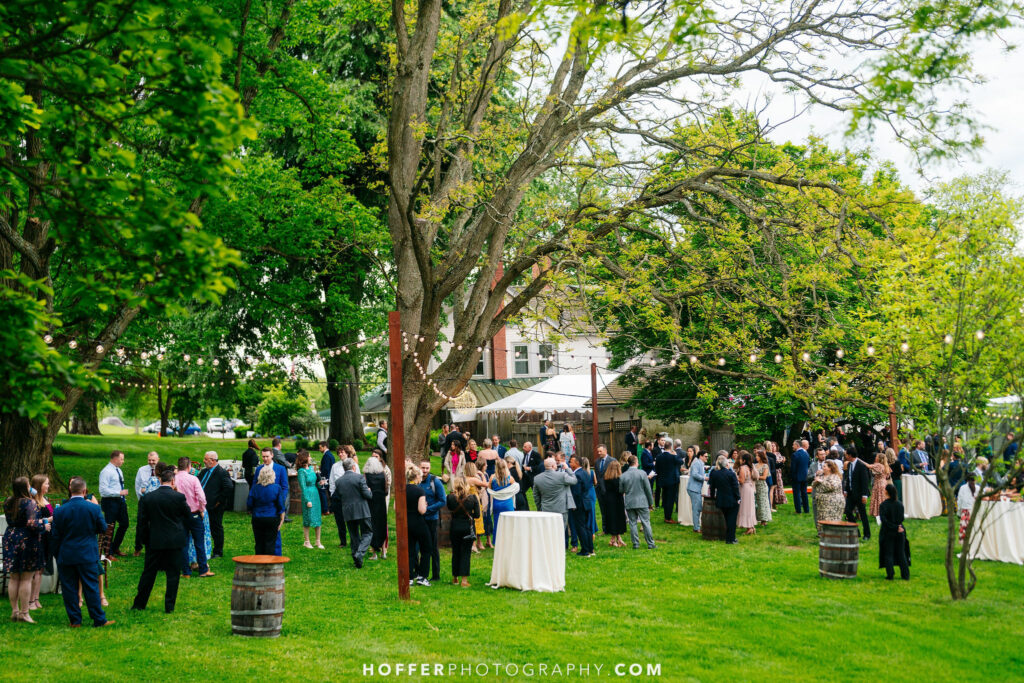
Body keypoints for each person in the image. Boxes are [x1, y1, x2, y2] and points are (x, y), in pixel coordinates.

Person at [51, 477, 112, 627]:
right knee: (90, 587)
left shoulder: (59, 511)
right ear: (84, 491)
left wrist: (58, 554)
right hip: (87, 553)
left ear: (70, 490)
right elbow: (103, 528)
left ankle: (75, 620)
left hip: (67, 553)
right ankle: (98, 619)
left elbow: (55, 536)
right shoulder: (93, 508)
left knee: (69, 588)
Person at [131, 466, 190, 613]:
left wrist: (145, 540)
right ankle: (169, 606)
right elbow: (188, 516)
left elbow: (142, 522)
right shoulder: (179, 497)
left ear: (159, 480)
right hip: (174, 540)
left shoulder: (149, 497)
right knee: (173, 574)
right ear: (173, 481)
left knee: (149, 573)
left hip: (154, 540)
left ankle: (139, 603)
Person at [4, 477, 48, 623]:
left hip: (10, 537)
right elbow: (32, 524)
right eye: (29, 485)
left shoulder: (8, 501)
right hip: (26, 540)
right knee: (26, 578)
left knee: (14, 576)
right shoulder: (30, 502)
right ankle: (24, 612)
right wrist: (44, 527)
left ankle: (14, 611)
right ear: (25, 487)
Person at [331, 459, 374, 568]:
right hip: (362, 510)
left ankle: (356, 559)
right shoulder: (359, 478)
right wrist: (369, 491)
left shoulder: (338, 481)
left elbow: (340, 496)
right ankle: (359, 553)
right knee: (368, 533)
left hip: (348, 511)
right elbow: (367, 495)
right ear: (353, 467)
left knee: (354, 536)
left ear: (344, 468)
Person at [174, 457, 214, 577]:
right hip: (194, 513)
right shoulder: (193, 479)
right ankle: (203, 569)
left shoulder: (173, 480)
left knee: (184, 543)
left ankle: (186, 571)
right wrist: (201, 509)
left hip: (180, 514)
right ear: (189, 466)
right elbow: (202, 497)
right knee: (199, 542)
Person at [532, 457, 577, 546]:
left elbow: (536, 495)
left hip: (546, 508)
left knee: (548, 530)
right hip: (561, 508)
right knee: (561, 530)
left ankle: (549, 547)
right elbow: (574, 480)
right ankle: (559, 548)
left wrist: (539, 507)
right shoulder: (561, 475)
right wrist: (567, 468)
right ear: (553, 466)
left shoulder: (537, 478)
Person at [198, 450, 233, 559]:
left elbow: (229, 487)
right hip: (202, 505)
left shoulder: (221, 472)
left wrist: (219, 501)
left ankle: (218, 551)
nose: (203, 461)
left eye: (206, 459)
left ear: (213, 460)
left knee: (216, 527)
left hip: (215, 506)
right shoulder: (204, 472)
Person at [447, 476, 480, 587]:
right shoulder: (472, 498)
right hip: (467, 527)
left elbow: (449, 509)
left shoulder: (450, 497)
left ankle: (455, 578)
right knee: (466, 553)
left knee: (455, 552)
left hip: (455, 526)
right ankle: (464, 580)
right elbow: (477, 515)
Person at [254, 447, 289, 555]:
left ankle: (277, 556)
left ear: (272, 455)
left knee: (276, 532)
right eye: (263, 456)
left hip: (276, 506)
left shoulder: (280, 469)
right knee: (261, 535)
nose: (265, 459)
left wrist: (280, 501)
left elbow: (284, 486)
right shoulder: (259, 469)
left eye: (267, 456)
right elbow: (254, 486)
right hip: (261, 507)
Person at [98, 450, 130, 558]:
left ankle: (115, 547)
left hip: (120, 501)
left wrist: (121, 495)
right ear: (115, 459)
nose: (123, 461)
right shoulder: (106, 471)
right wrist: (118, 492)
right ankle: (108, 552)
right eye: (121, 459)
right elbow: (103, 491)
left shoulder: (118, 471)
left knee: (124, 524)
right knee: (109, 526)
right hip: (110, 502)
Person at [247, 464, 285, 555]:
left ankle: (259, 563)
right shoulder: (276, 488)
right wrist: (282, 518)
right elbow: (280, 505)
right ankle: (269, 564)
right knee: (270, 543)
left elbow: (249, 503)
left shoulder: (255, 488)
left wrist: (252, 510)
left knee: (259, 542)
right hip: (272, 517)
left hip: (257, 517)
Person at [620, 455, 656, 549]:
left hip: (629, 501)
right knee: (646, 522)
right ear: (636, 462)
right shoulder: (642, 473)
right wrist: (650, 502)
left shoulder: (623, 475)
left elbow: (620, 490)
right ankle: (650, 544)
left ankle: (636, 544)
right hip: (642, 501)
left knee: (632, 523)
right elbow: (648, 489)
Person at [419, 459, 446, 581]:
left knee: (433, 547)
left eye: (427, 468)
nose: (424, 470)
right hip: (419, 518)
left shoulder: (435, 482)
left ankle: (436, 575)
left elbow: (442, 500)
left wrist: (428, 509)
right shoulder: (416, 481)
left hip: (431, 518)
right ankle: (419, 573)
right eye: (422, 468)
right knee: (420, 547)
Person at [405, 466, 432, 586]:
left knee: (410, 550)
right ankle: (422, 576)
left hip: (406, 522)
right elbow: (421, 510)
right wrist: (425, 505)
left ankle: (409, 577)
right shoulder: (420, 491)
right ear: (416, 477)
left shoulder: (402, 489)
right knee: (426, 548)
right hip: (418, 522)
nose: (421, 478)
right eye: (420, 476)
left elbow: (396, 507)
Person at [878, 484, 910, 580]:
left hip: (888, 532)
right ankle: (905, 574)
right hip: (900, 531)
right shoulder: (899, 504)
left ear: (886, 492)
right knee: (901, 553)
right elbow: (901, 518)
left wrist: (894, 527)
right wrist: (898, 527)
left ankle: (890, 574)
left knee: (889, 553)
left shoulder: (883, 505)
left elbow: (884, 520)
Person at [708, 455, 741, 544]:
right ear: (726, 464)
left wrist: (712, 497)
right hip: (732, 500)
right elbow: (735, 488)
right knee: (732, 520)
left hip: (721, 499)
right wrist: (738, 498)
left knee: (727, 519)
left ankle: (730, 537)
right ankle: (730, 539)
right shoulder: (731, 474)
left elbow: (712, 487)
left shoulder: (714, 473)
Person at [363, 454, 390, 560]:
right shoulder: (383, 474)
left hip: (370, 504)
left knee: (372, 527)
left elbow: (364, 491)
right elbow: (387, 491)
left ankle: (374, 554)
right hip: (381, 503)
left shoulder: (366, 476)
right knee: (382, 526)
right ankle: (383, 552)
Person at [133, 451, 160, 556]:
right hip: (144, 500)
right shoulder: (142, 470)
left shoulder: (162, 470)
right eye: (149, 460)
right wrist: (141, 498)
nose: (151, 462)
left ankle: (155, 546)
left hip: (157, 501)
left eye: (153, 460)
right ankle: (138, 547)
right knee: (141, 524)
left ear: (158, 459)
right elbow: (137, 485)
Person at [295, 451, 323, 549]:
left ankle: (318, 541)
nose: (310, 457)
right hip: (308, 495)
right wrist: (307, 500)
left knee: (317, 517)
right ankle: (306, 541)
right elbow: (303, 487)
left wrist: (320, 483)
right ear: (304, 458)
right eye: (309, 456)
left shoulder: (311, 468)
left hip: (315, 494)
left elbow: (315, 483)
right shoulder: (301, 471)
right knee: (308, 518)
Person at [569, 455, 595, 556]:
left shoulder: (577, 475)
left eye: (571, 462)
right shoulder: (585, 473)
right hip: (587, 502)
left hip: (579, 504)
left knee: (581, 527)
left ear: (576, 463)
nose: (569, 464)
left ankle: (585, 550)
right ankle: (590, 548)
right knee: (587, 526)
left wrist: (574, 505)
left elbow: (576, 492)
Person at [487, 458, 518, 542]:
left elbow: (489, 490)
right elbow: (515, 487)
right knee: (510, 522)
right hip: (507, 503)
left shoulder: (492, 477)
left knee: (497, 522)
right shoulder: (510, 478)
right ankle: (510, 540)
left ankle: (497, 541)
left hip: (497, 503)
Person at [844, 449, 872, 541]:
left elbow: (865, 481)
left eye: (846, 455)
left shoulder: (861, 466)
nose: (845, 456)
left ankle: (867, 534)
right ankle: (855, 531)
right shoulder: (849, 465)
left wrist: (864, 495)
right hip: (851, 493)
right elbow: (849, 478)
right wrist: (846, 490)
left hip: (860, 494)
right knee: (848, 511)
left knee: (863, 514)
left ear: (850, 455)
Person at [654, 442, 684, 524]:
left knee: (665, 498)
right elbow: (681, 462)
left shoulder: (659, 457)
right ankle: (668, 517)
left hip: (663, 481)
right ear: (671, 448)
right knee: (670, 500)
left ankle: (666, 516)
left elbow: (656, 468)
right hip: (672, 481)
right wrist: (675, 455)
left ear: (664, 447)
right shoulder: (673, 457)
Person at [812, 461, 845, 532]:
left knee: (831, 519)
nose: (822, 468)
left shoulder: (835, 477)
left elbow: (832, 487)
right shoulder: (821, 475)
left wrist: (821, 481)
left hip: (833, 504)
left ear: (830, 468)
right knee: (822, 519)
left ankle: (832, 536)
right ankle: (822, 535)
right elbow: (813, 485)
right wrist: (817, 480)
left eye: (824, 466)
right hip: (822, 503)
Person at [603, 460, 628, 547]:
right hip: (617, 500)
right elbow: (620, 490)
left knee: (612, 518)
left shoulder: (607, 478)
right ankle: (613, 539)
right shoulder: (617, 479)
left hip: (609, 500)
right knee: (617, 518)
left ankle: (617, 538)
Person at [594, 445, 614, 534]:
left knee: (611, 510)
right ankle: (605, 529)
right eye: (598, 451)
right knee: (603, 511)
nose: (599, 453)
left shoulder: (612, 461)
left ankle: (612, 529)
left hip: (609, 489)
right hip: (600, 490)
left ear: (605, 450)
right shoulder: (597, 461)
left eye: (600, 451)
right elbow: (598, 475)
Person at [687, 451, 708, 533]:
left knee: (698, 508)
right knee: (696, 508)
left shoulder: (700, 463)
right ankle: (696, 528)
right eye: (705, 456)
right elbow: (694, 474)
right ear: (701, 456)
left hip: (696, 488)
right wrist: (704, 478)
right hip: (693, 488)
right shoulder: (696, 463)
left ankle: (697, 526)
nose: (707, 458)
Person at [736, 451, 756, 535]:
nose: (740, 460)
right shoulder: (751, 467)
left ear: (744, 460)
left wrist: (735, 476)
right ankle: (751, 527)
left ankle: (749, 528)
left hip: (745, 489)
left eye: (741, 459)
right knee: (750, 507)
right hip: (750, 488)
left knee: (745, 507)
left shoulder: (743, 468)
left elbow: (742, 481)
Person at [868, 453, 891, 519]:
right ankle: (885, 512)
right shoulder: (886, 466)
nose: (875, 457)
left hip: (879, 483)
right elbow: (888, 476)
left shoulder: (879, 465)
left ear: (879, 458)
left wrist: (859, 460)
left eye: (876, 457)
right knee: (883, 498)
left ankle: (878, 513)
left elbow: (869, 466)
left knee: (878, 498)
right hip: (884, 483)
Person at [790, 440, 810, 514]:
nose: (792, 446)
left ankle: (798, 510)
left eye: (793, 445)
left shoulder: (795, 455)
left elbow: (793, 468)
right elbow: (808, 464)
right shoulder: (806, 454)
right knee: (804, 493)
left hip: (796, 477)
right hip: (805, 476)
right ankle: (806, 509)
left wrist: (792, 476)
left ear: (797, 445)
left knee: (797, 494)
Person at [317, 441, 336, 515]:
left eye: (320, 448)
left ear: (325, 447)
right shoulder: (329, 454)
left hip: (326, 477)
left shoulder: (327, 455)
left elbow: (326, 469)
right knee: (329, 492)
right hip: (329, 476)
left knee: (322, 491)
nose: (319, 449)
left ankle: (325, 509)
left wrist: (322, 478)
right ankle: (332, 508)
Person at [753, 451, 772, 526]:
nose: (756, 457)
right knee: (756, 503)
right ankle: (757, 518)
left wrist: (756, 477)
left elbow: (764, 477)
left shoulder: (765, 466)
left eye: (757, 456)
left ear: (761, 457)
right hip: (755, 486)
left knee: (762, 503)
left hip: (762, 486)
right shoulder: (754, 465)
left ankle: (764, 520)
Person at [957, 474, 977, 541]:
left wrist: (959, 512)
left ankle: (965, 543)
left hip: (965, 511)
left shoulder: (962, 488)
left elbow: (959, 501)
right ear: (976, 479)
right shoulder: (978, 488)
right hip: (975, 510)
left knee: (965, 529)